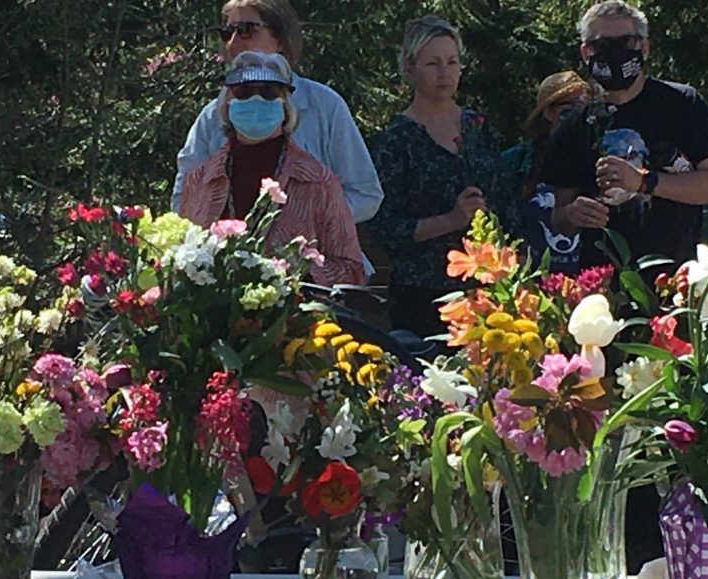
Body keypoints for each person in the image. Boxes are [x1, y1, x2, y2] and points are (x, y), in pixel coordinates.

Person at [541, 0, 708, 268]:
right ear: (585, 52)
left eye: (625, 43)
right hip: (602, 283)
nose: (614, 53)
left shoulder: (681, 103)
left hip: (675, 281)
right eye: (601, 45)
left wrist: (644, 183)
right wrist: (573, 214)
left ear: (644, 46)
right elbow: (560, 218)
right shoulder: (575, 124)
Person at [366, 16, 518, 339]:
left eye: (452, 62)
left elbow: (506, 202)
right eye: (432, 63)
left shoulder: (477, 126)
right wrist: (451, 219)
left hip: (488, 287)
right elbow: (383, 227)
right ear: (409, 69)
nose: (444, 72)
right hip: (422, 295)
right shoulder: (396, 140)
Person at [171, 0, 382, 227]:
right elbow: (182, 201)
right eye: (227, 32)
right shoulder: (212, 116)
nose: (233, 42)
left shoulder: (324, 105)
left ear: (280, 38)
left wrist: (312, 224)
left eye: (246, 30)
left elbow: (365, 194)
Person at [178, 51, 364, 286]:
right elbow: (182, 258)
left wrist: (292, 276)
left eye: (268, 92)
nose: (256, 100)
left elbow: (350, 270)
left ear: (285, 105)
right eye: (243, 92)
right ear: (227, 104)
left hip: (291, 318)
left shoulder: (318, 181)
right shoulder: (199, 179)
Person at [501, 71, 593, 272]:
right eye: (571, 107)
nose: (579, 114)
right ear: (549, 112)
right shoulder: (515, 161)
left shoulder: (599, 156)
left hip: (587, 281)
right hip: (530, 282)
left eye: (585, 107)